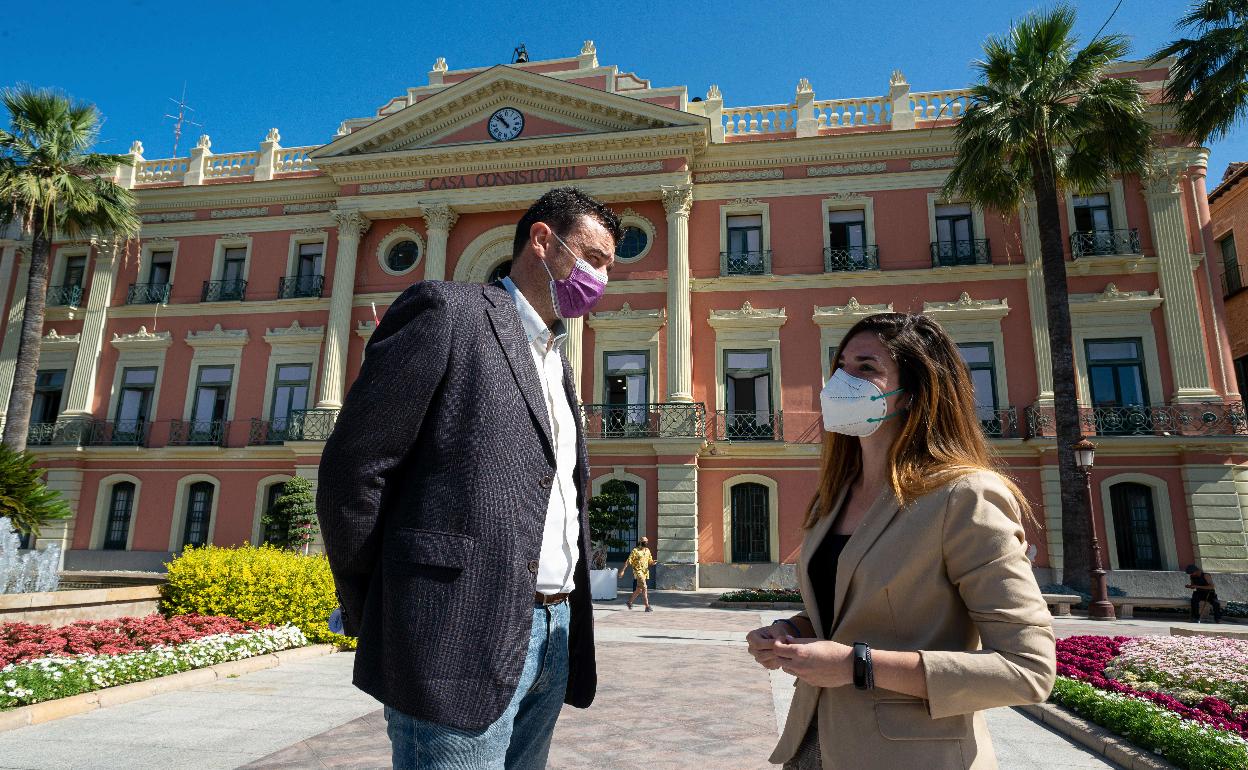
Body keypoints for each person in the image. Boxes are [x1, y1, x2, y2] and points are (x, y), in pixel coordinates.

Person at [317, 187, 620, 769]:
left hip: (553, 632)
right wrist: (376, 602)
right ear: (542, 240)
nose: (602, 278)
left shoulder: (555, 357)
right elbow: (355, 466)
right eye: (595, 258)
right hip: (451, 634)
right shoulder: (446, 312)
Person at [745, 313, 1056, 770]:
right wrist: (794, 633)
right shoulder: (835, 495)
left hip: (912, 755)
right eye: (841, 366)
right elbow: (852, 615)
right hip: (814, 747)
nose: (841, 382)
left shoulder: (964, 495)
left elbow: (1028, 670)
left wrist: (857, 665)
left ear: (912, 394)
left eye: (866, 368)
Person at [619, 536, 658, 612]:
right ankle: (647, 606)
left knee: (639, 589)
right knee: (644, 587)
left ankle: (629, 602)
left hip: (645, 572)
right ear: (640, 542)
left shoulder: (647, 550)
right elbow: (628, 561)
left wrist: (653, 562)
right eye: (644, 541)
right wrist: (622, 570)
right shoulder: (635, 551)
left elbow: (650, 561)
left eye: (646, 541)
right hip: (638, 571)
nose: (646, 542)